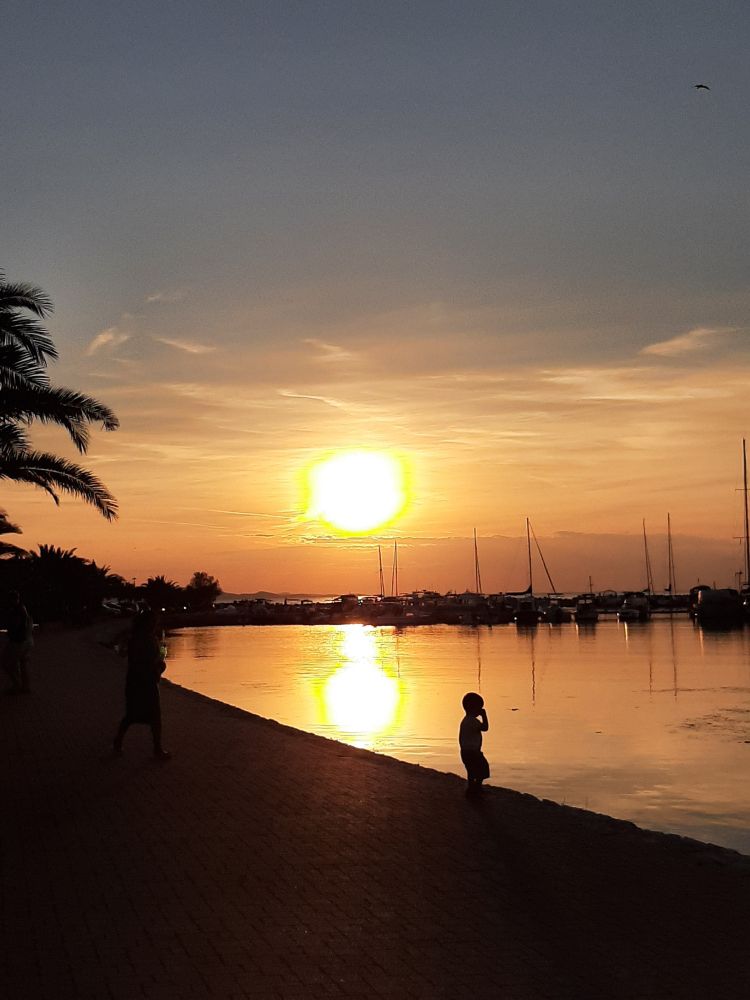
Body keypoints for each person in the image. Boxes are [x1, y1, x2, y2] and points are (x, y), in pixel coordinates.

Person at [113, 609, 170, 758]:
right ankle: (157, 749)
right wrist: (158, 666)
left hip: (136, 680)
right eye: (153, 622)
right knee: (150, 716)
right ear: (147, 623)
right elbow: (146, 660)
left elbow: (126, 654)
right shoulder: (143, 639)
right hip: (144, 681)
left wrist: (158, 664)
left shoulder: (137, 638)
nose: (155, 624)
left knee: (134, 715)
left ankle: (119, 741)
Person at [2, 590, 34, 694]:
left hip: (19, 642)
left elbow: (15, 627)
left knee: (8, 663)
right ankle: (25, 687)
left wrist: (10, 630)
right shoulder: (23, 609)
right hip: (26, 641)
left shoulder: (16, 610)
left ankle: (17, 685)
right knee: (23, 663)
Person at [459, 691, 489, 794]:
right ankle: (476, 788)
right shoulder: (473, 721)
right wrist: (484, 716)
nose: (480, 710)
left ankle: (472, 788)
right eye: (479, 708)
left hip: (465, 751)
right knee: (483, 768)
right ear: (473, 708)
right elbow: (485, 728)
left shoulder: (465, 721)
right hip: (473, 752)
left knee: (471, 771)